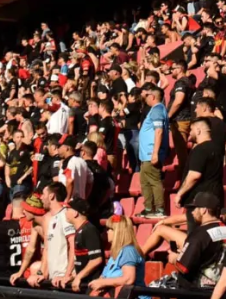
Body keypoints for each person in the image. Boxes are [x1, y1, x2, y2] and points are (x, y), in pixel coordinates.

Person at [88, 216, 145, 297]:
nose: (106, 232)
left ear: (118, 232)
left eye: (109, 229)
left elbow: (128, 279)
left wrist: (102, 283)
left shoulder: (128, 250)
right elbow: (103, 277)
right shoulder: (115, 254)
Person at [57, 198, 103, 292]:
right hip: (83, 284)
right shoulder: (80, 231)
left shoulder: (89, 230)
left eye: (67, 209)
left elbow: (96, 259)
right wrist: (71, 277)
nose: (65, 212)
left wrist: (79, 277)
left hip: (91, 286)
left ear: (75, 213)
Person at [137, 83, 169, 218]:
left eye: (148, 94)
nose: (145, 97)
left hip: (151, 153)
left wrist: (155, 153)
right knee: (145, 181)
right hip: (146, 155)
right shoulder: (155, 109)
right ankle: (149, 208)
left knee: (154, 181)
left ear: (154, 96)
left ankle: (159, 209)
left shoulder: (157, 109)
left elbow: (159, 131)